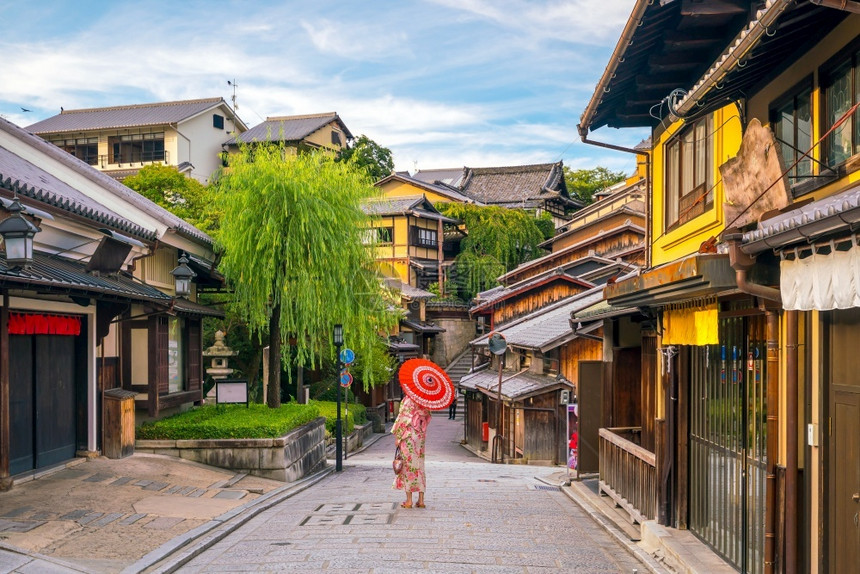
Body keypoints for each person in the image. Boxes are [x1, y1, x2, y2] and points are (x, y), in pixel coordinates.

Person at [392, 395, 431, 508]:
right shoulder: (425, 401)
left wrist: (398, 437)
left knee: (408, 466)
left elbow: (403, 418)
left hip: (408, 435)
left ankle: (409, 501)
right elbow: (427, 419)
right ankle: (421, 500)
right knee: (419, 465)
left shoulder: (408, 400)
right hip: (420, 435)